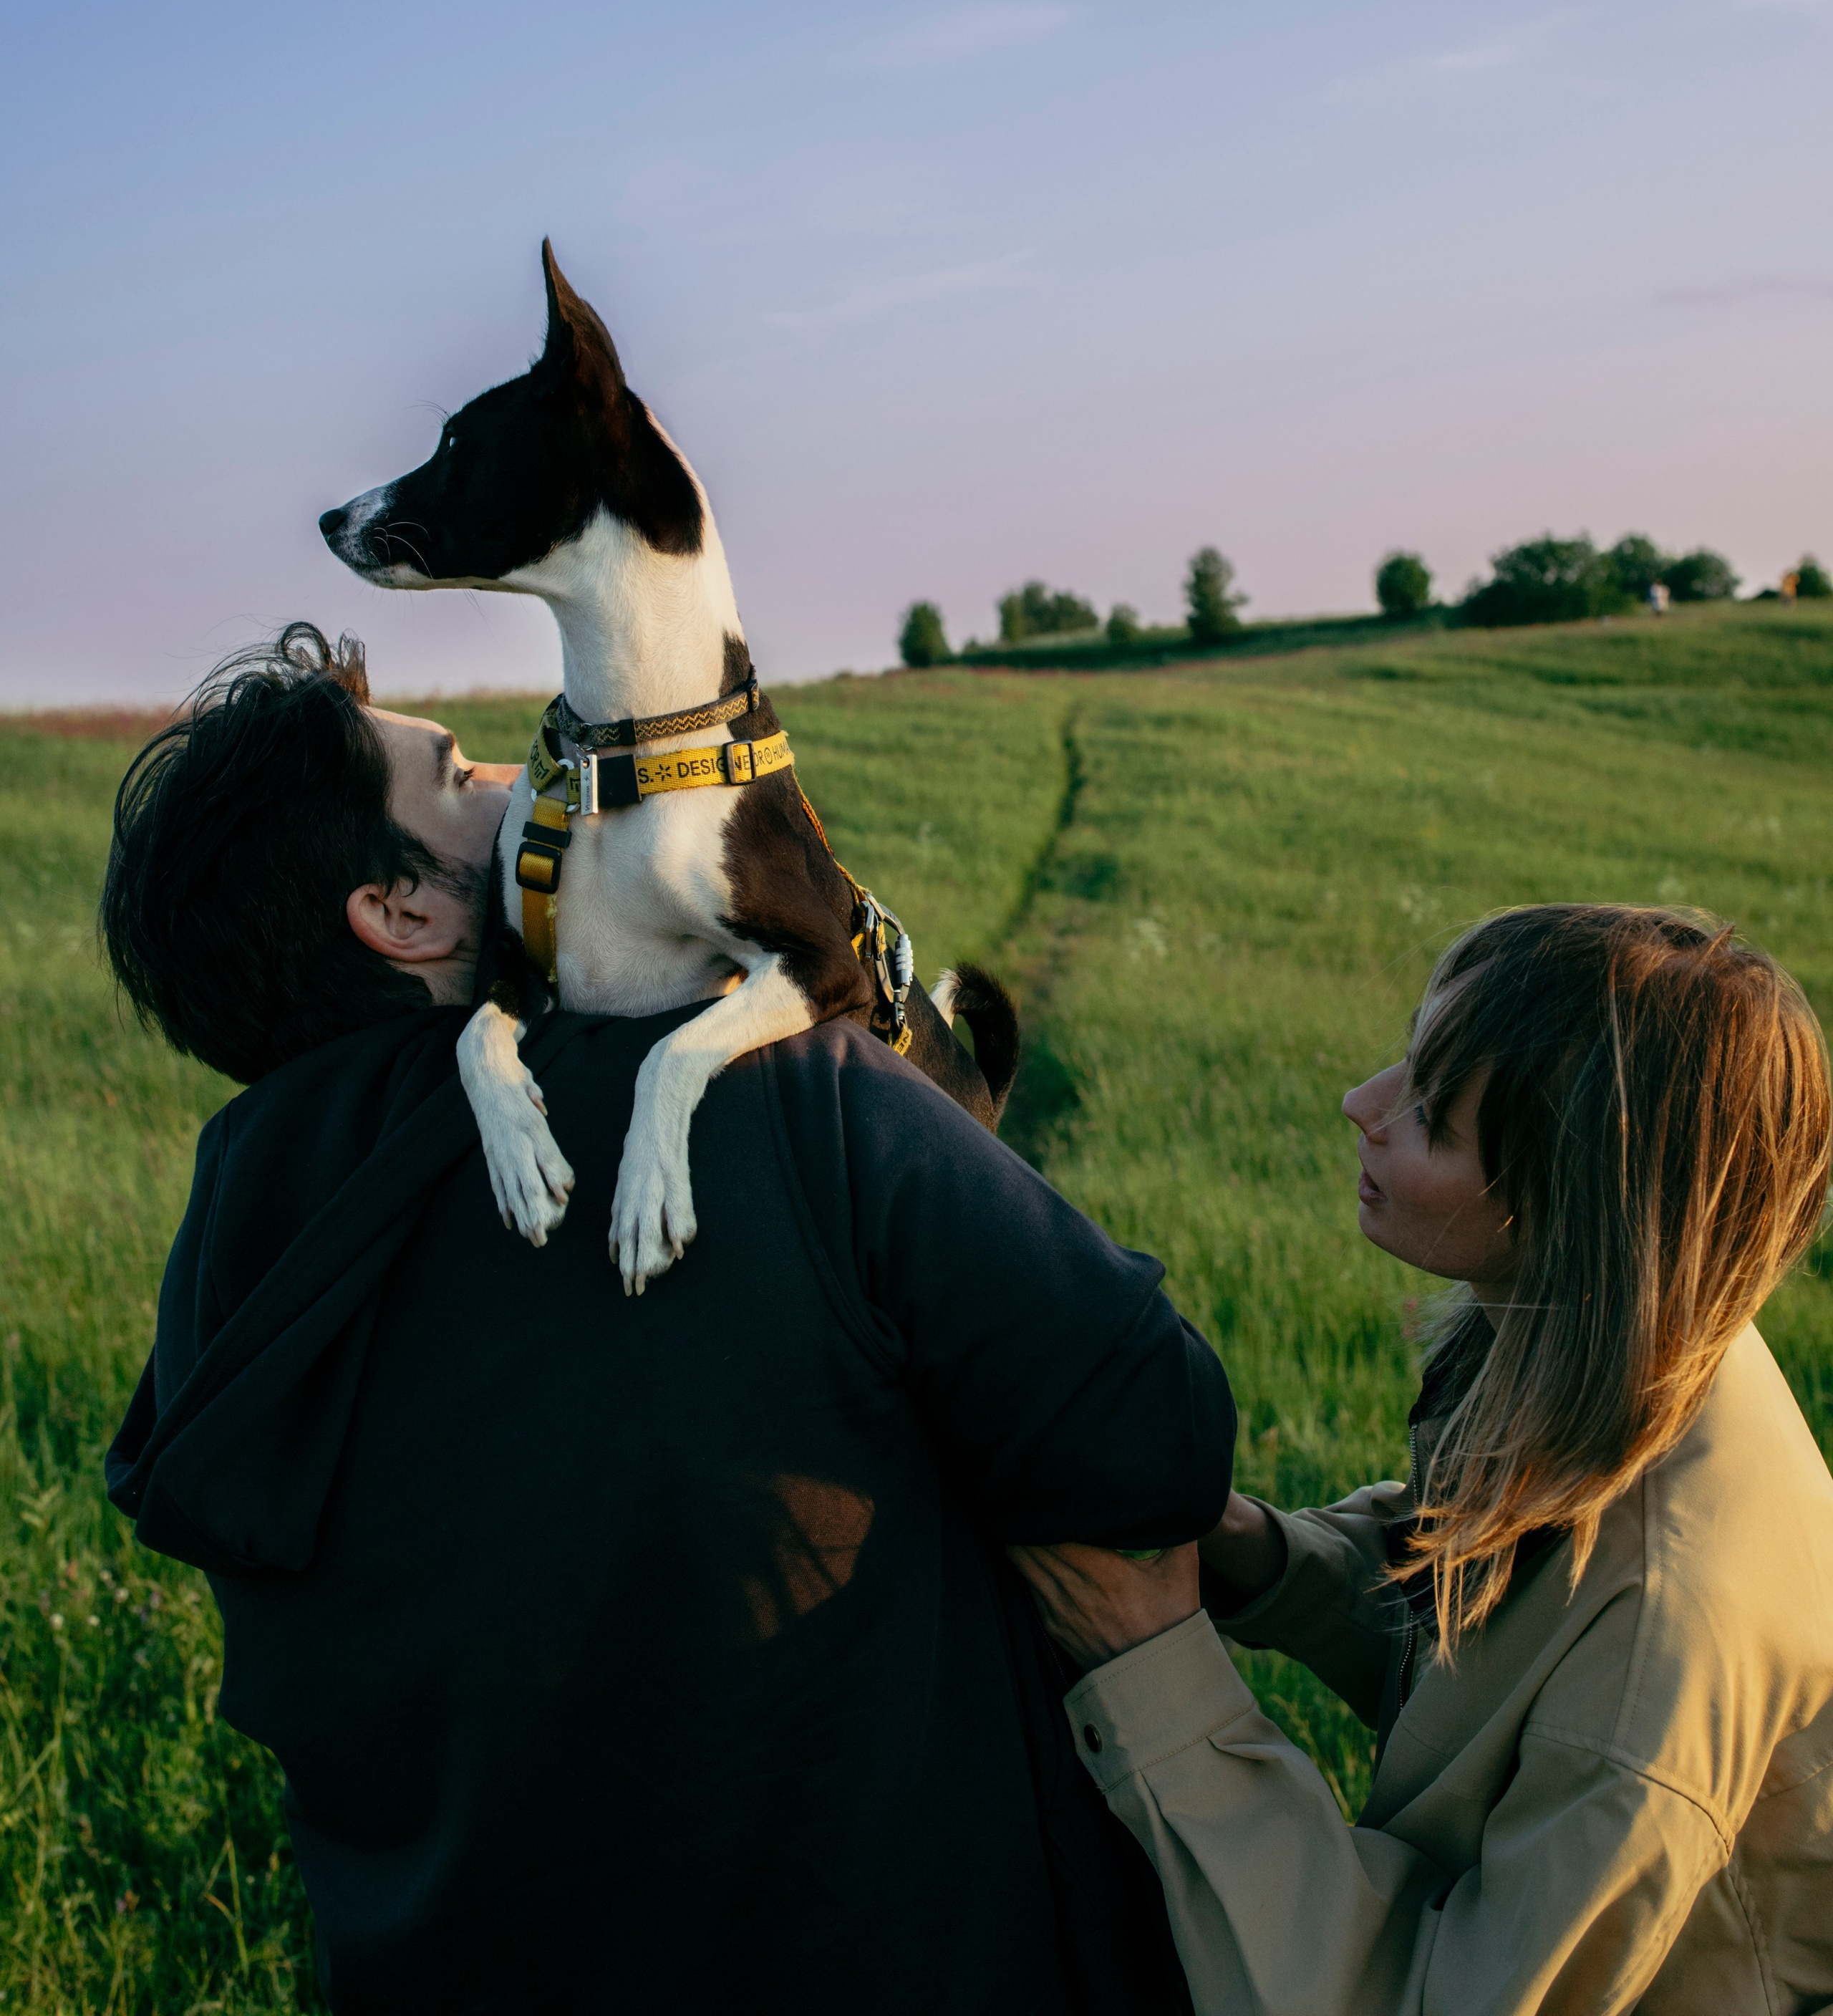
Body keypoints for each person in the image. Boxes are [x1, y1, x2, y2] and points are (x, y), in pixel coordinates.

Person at [101, 625, 1236, 2016]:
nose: (529, 772)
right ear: (401, 915)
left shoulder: (228, 1292)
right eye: (458, 776)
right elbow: (1163, 1438)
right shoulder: (777, 1099)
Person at [1015, 905, 1833, 2015]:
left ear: (1576, 1206)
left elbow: (1438, 1998)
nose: (1363, 1104)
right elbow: (1492, 1650)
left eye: (1434, 1116)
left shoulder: (1666, 1648)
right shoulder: (1625, 1338)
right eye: (1409, 1056)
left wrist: (1151, 1670)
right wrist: (1252, 1551)